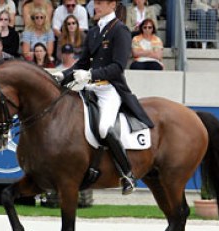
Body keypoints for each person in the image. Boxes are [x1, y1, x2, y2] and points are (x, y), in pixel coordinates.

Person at [53, 0, 154, 195]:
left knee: (103, 127)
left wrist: (91, 75)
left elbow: (117, 67)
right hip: (90, 88)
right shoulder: (93, 31)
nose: (95, 6)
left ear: (112, 5)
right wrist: (62, 75)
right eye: (95, 3)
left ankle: (127, 174)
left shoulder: (120, 30)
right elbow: (81, 63)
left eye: (100, 3)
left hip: (110, 89)